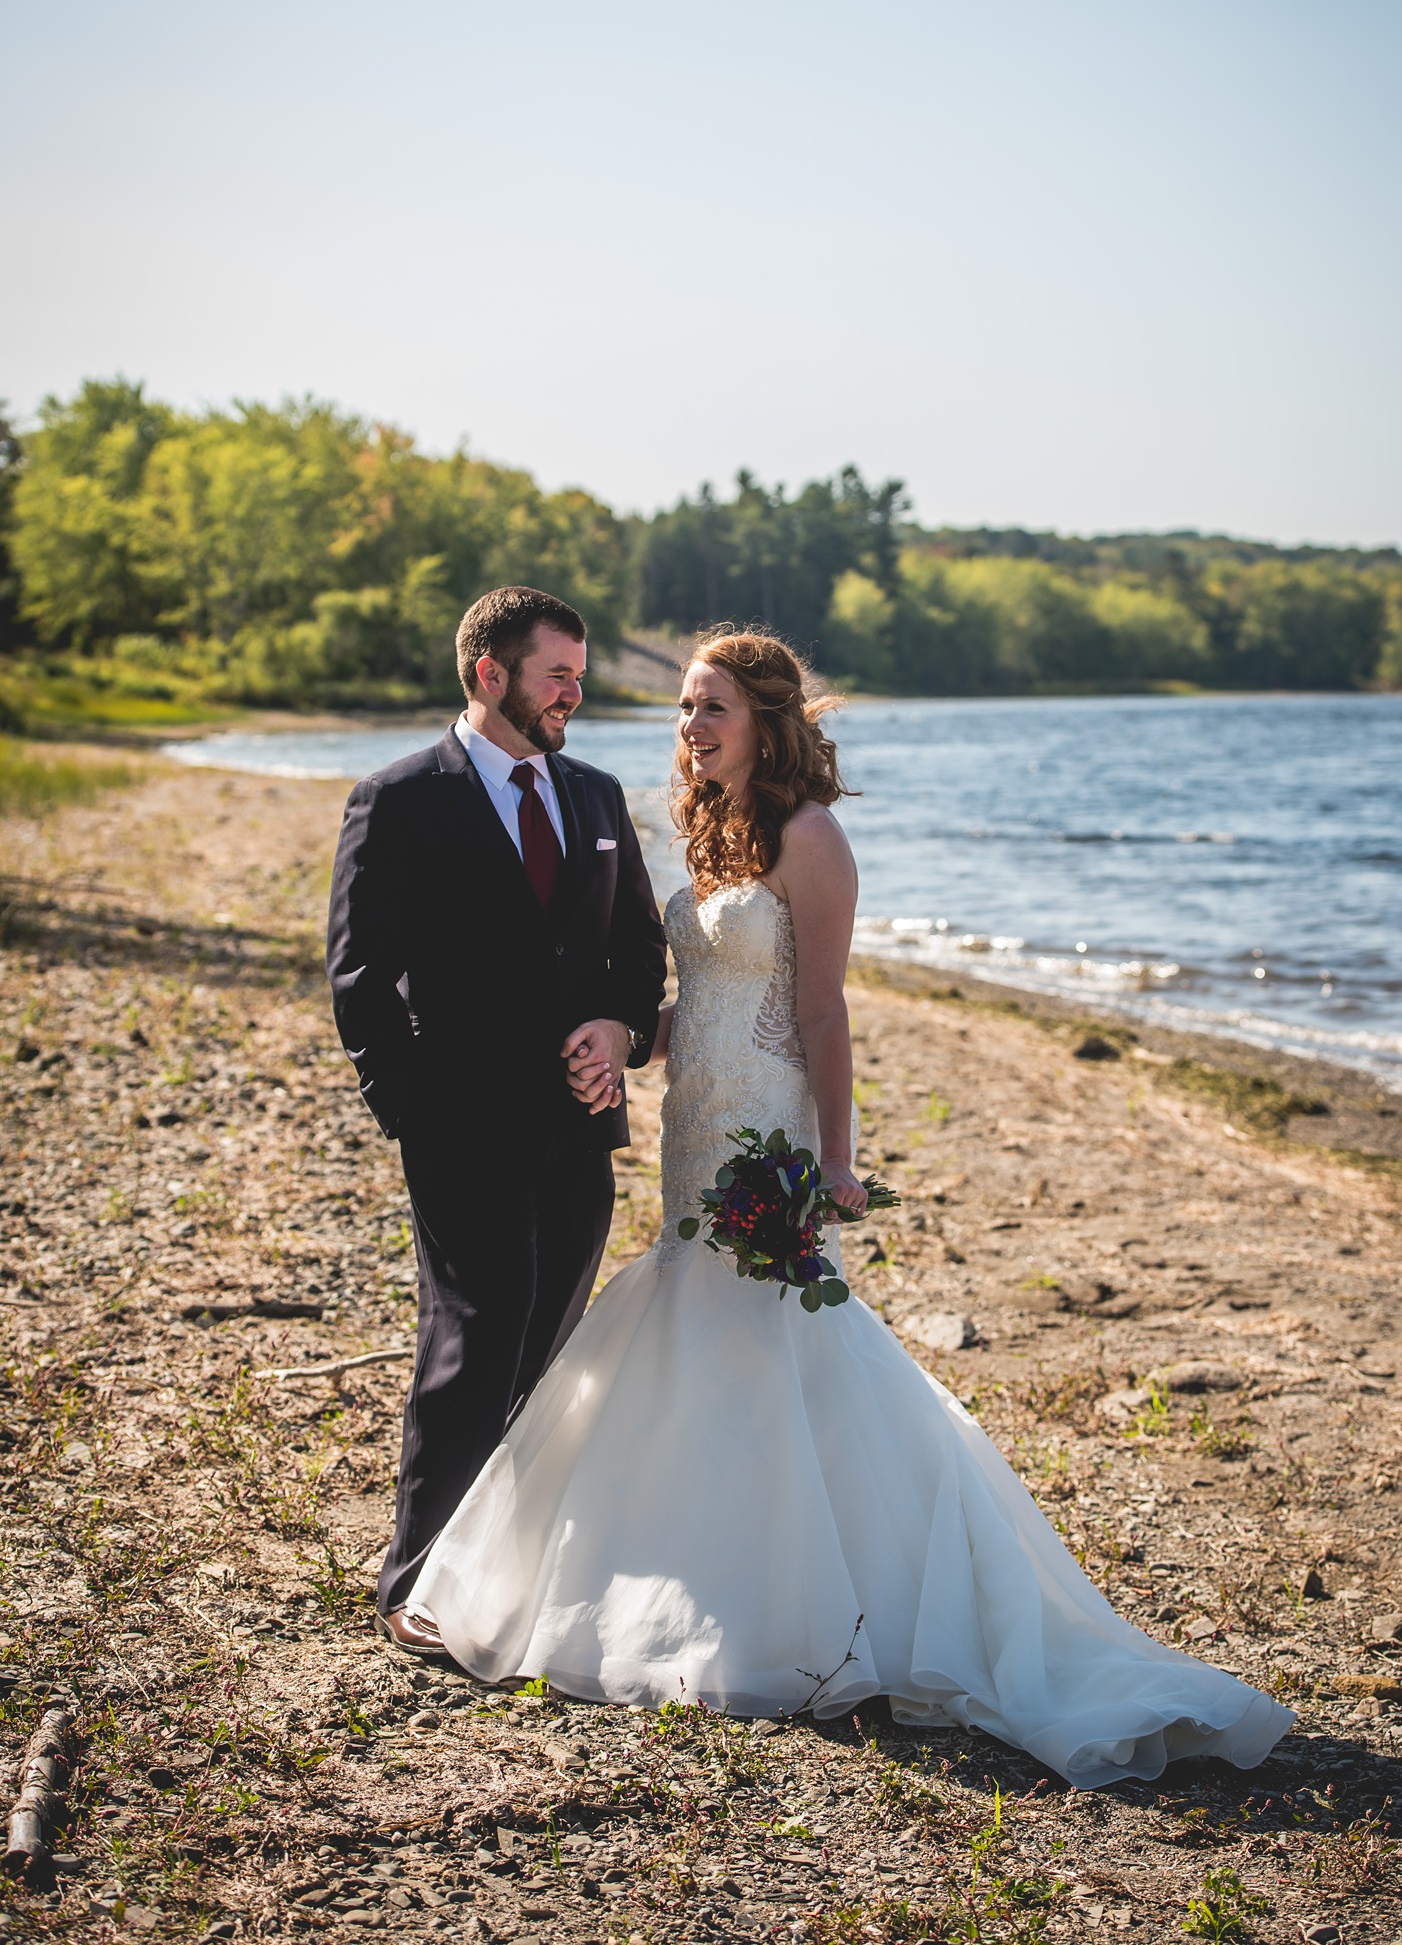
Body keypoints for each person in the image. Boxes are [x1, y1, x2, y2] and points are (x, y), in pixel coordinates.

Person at [408, 630, 1291, 1786]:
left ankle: (800, 1605)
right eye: (681, 709)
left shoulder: (815, 839)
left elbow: (821, 1014)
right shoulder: (715, 832)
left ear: (769, 719)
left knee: (778, 1347)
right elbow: (704, 1006)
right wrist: (628, 1036)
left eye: (711, 707)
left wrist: (835, 1159)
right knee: (686, 1345)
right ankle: (694, 1580)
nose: (690, 727)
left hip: (767, 1137)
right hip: (693, 1135)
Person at [325, 585, 667, 1655]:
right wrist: (410, 1111)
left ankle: (514, 1574)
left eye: (578, 672)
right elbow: (360, 975)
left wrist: (619, 1028)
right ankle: (415, 1585)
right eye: (557, 673)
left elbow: (637, 953)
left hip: (579, 1125)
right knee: (473, 1338)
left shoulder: (599, 797)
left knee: (550, 1347)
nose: (577, 691)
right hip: (458, 1127)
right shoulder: (399, 799)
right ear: (490, 675)